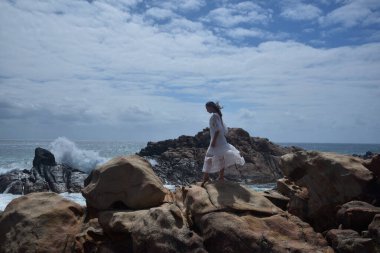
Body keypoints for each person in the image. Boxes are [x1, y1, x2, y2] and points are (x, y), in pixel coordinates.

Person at [201, 101, 245, 187]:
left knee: (209, 157)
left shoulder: (214, 116)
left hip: (216, 140)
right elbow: (223, 130)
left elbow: (218, 130)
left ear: (211, 107)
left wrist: (213, 141)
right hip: (220, 140)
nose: (206, 110)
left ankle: (206, 177)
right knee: (221, 157)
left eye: (207, 108)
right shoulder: (218, 115)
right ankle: (221, 177)